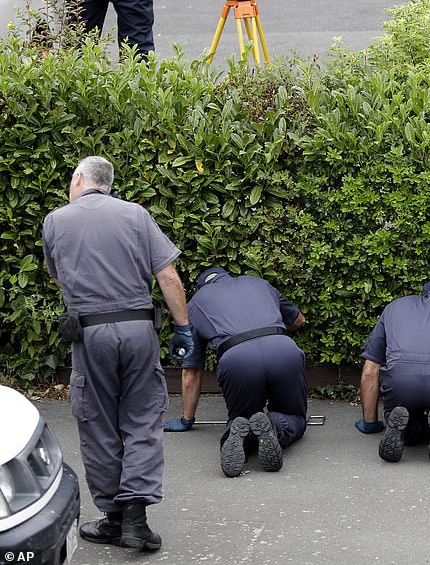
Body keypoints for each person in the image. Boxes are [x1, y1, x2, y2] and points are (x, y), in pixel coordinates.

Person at [42, 156, 193, 552]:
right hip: (138, 328)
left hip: (89, 334)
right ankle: (136, 522)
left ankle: (112, 517)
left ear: (78, 179)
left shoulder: (56, 221)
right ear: (108, 184)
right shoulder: (137, 215)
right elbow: (168, 275)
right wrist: (183, 327)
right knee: (142, 418)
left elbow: (58, 276)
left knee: (97, 421)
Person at [163, 267, 308, 478]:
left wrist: (186, 419)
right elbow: (299, 320)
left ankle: (240, 433)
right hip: (284, 351)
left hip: (237, 359)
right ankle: (274, 427)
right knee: (293, 416)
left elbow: (191, 373)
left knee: (242, 417)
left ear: (202, 286)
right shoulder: (258, 282)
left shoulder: (194, 305)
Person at [358, 280, 430, 464]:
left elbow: (370, 370)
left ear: (423, 295)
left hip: (401, 383)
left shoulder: (394, 308)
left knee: (399, 414)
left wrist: (370, 424)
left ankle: (407, 429)